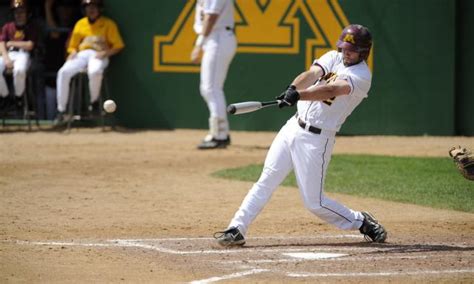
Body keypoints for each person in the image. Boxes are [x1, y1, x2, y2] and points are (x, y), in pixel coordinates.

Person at [214, 24, 388, 246]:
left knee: (314, 202)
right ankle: (237, 228)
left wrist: (299, 95)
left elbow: (331, 90)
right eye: (343, 47)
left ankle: (361, 221)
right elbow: (312, 74)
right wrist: (292, 89)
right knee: (266, 179)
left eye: (351, 50)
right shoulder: (333, 57)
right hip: (293, 127)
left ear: (364, 52)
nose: (346, 52)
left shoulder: (362, 75)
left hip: (317, 139)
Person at [55, 0, 124, 123]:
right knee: (63, 72)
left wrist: (105, 53)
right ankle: (61, 110)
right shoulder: (80, 24)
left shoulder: (108, 24)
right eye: (88, 7)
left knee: (95, 71)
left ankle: (94, 102)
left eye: (94, 7)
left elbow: (118, 45)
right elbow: (72, 46)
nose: (91, 10)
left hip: (99, 55)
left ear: (99, 9)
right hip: (82, 54)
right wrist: (72, 52)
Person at [191, 0, 237, 149]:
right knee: (209, 88)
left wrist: (199, 45)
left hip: (218, 37)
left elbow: (211, 17)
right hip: (215, 38)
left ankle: (219, 134)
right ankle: (219, 133)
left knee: (211, 88)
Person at [0, 0, 38, 109]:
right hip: (8, 54)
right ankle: (5, 97)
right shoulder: (7, 26)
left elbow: (29, 45)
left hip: (24, 54)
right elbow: (1, 43)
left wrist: (11, 42)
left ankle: (18, 97)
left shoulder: (31, 26)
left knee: (19, 70)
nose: (19, 15)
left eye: (22, 12)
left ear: (27, 13)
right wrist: (6, 58)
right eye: (16, 12)